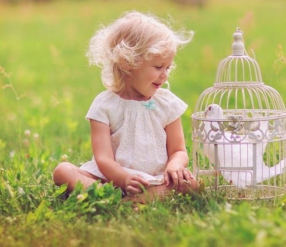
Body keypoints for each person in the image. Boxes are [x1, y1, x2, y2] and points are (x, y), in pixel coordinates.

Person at [53, 11, 199, 202]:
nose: (165, 75)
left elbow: (178, 150)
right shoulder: (105, 105)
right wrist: (122, 178)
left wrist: (175, 166)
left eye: (168, 67)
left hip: (154, 179)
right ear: (127, 62)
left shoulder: (167, 103)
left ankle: (126, 200)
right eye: (157, 67)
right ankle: (116, 194)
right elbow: (103, 158)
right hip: (110, 178)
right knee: (62, 171)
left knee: (193, 184)